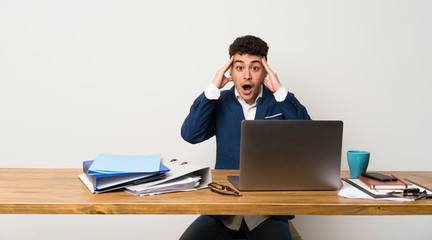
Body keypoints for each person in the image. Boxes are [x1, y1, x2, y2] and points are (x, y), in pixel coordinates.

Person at [180, 35, 311, 240]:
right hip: (224, 209)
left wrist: (281, 92)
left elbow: (308, 137)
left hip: (267, 210)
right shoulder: (219, 102)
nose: (247, 76)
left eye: (255, 68)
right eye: (240, 68)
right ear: (230, 72)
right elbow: (190, 134)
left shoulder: (279, 102)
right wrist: (212, 89)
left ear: (265, 72)